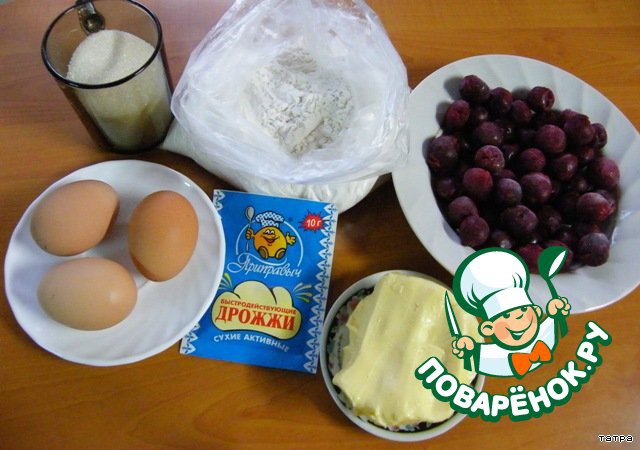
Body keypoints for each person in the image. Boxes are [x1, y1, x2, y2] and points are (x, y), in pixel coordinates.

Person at [451, 248, 570, 378]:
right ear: (488, 329)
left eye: (523, 310)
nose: (519, 318)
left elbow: (549, 327)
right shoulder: (493, 355)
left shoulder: (542, 337)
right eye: (507, 315)